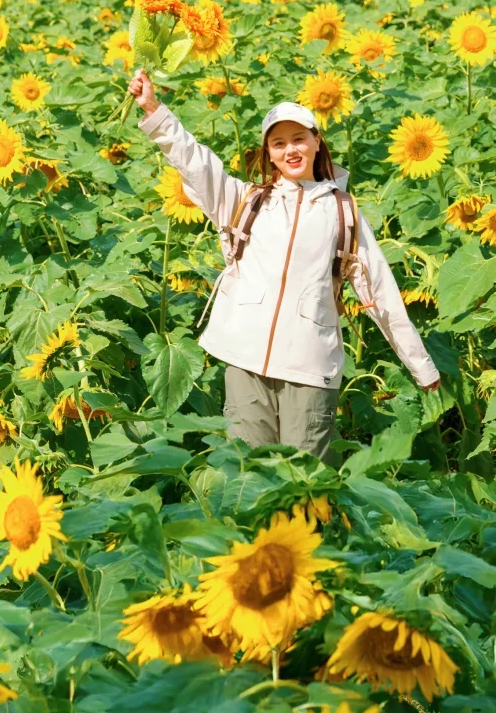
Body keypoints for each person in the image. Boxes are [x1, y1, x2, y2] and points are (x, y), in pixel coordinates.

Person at [129, 71, 441, 462]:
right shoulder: (244, 201)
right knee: (248, 475)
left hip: (309, 367)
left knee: (307, 482)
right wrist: (154, 110)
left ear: (316, 142)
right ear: (268, 153)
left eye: (298, 139)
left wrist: (422, 367)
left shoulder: (343, 213)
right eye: (279, 143)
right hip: (245, 361)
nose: (290, 150)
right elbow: (195, 162)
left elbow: (379, 293)